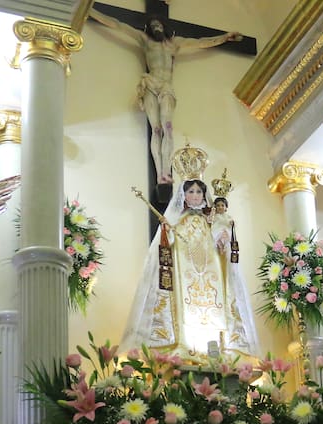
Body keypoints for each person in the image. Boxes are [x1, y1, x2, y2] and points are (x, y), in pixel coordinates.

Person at [88, 10, 242, 183]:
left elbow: (200, 42)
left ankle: (166, 170)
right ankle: (160, 173)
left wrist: (224, 37)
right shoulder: (144, 40)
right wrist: (89, 10)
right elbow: (117, 25)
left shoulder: (174, 43)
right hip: (151, 83)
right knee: (156, 129)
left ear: (164, 27)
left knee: (167, 127)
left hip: (166, 86)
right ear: (149, 29)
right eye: (153, 26)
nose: (156, 28)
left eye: (159, 25)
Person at [122, 178, 260, 360]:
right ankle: (184, 343)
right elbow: (168, 242)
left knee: (214, 303)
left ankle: (218, 347)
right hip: (184, 267)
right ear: (184, 195)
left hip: (210, 270)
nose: (195, 196)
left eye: (199, 192)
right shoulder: (179, 219)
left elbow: (222, 242)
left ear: (204, 195)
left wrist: (223, 238)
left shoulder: (210, 219)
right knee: (184, 301)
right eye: (191, 192)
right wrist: (167, 230)